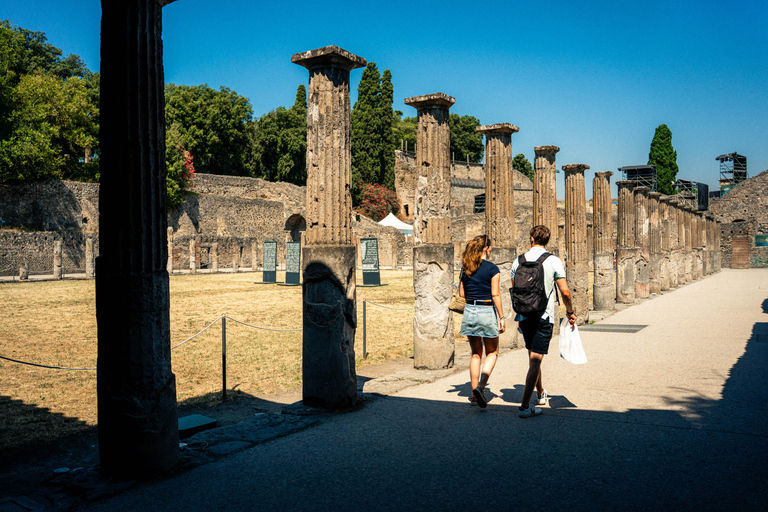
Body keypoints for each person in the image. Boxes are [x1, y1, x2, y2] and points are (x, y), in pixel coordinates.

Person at [511, 225, 576, 418]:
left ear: (531, 238)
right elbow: (564, 291)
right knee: (535, 360)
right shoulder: (553, 261)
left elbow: (515, 288)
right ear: (547, 241)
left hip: (523, 315)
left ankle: (540, 393)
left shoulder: (518, 260)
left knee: (533, 357)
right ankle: (524, 406)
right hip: (543, 316)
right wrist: (570, 311)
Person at [459, 234, 505, 408]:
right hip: (486, 310)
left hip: (470, 310)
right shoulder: (492, 268)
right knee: (492, 353)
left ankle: (474, 395)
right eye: (491, 247)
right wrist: (501, 317)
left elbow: (462, 294)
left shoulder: (466, 268)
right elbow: (495, 294)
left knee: (475, 354)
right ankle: (481, 386)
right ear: (486, 248)